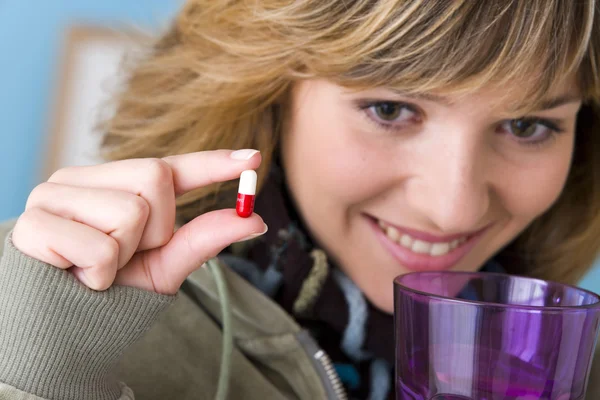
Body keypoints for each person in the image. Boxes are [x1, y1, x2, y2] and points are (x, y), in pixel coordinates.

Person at [1, 0, 599, 399]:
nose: (456, 209)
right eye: (389, 110)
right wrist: (35, 373)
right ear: (268, 94)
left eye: (527, 126)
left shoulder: (573, 364)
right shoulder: (35, 320)